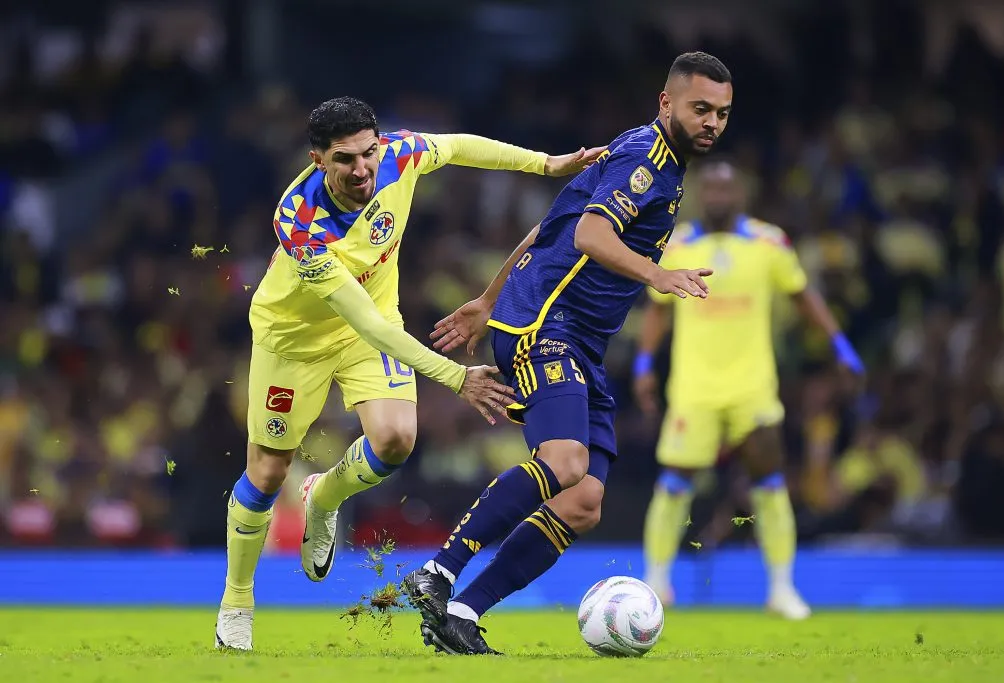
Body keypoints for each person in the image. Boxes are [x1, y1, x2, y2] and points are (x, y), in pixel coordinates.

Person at [215, 96, 605, 650]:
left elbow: (462, 147)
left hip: (369, 330)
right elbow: (368, 323)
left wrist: (545, 164)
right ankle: (236, 602)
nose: (362, 169)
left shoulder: (400, 154)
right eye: (345, 159)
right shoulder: (299, 222)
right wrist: (456, 376)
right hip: (295, 342)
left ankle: (324, 496)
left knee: (396, 439)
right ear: (318, 160)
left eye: (368, 153)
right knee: (266, 474)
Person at [401, 52, 732, 655]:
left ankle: (461, 614)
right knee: (566, 460)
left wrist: (486, 299)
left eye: (722, 114)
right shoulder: (645, 159)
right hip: (546, 325)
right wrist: (657, 275)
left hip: (579, 342)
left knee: (582, 502)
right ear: (667, 103)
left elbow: (550, 226)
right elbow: (588, 234)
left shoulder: (657, 161)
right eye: (700, 108)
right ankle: (438, 570)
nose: (712, 122)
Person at [634, 161, 865, 619]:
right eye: (711, 189)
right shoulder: (677, 244)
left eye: (727, 188)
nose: (718, 196)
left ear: (741, 194)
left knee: (770, 480)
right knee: (675, 479)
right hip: (694, 387)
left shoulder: (768, 242)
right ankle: (657, 581)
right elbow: (658, 309)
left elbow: (802, 294)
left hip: (752, 387)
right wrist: (644, 365)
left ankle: (781, 589)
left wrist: (840, 346)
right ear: (700, 194)